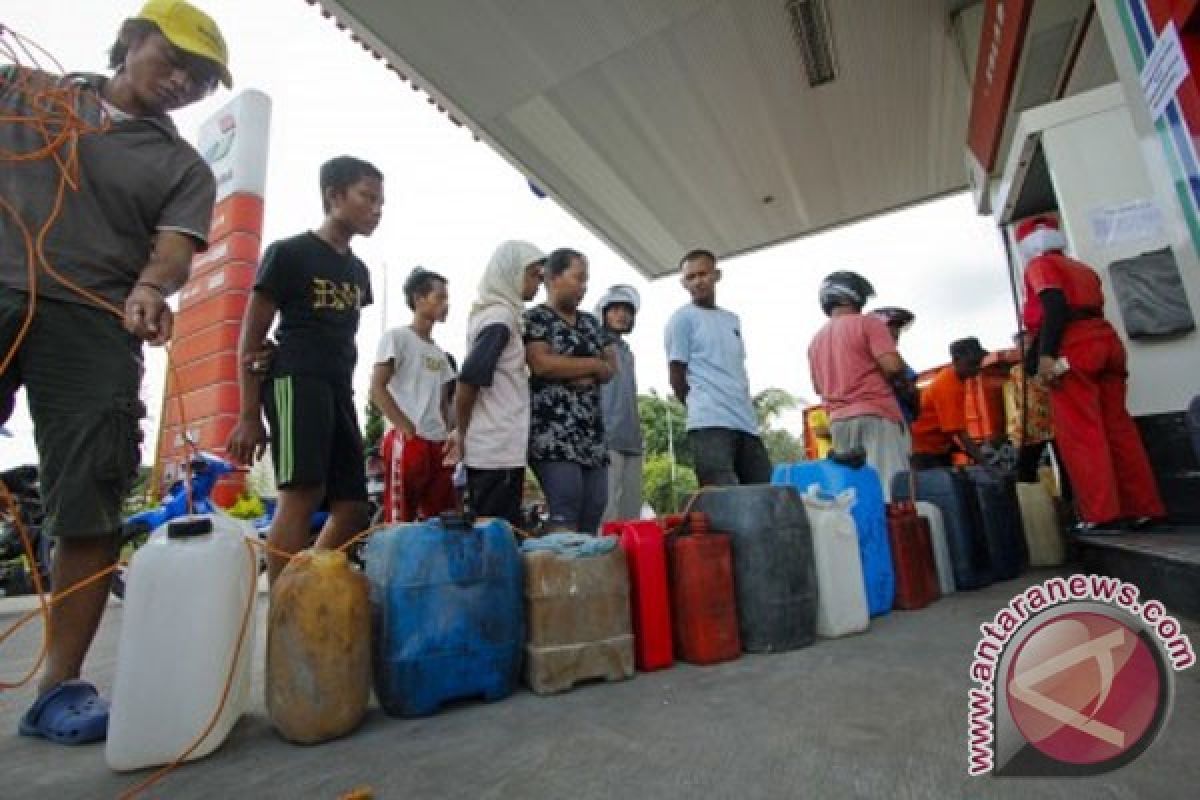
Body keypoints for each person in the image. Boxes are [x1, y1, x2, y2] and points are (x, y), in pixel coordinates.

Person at [1, 0, 231, 744]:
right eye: (175, 61)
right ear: (131, 41)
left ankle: (58, 686)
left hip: (95, 319)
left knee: (91, 499)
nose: (183, 83)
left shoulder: (182, 167)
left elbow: (172, 248)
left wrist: (148, 290)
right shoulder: (27, 91)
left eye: (200, 80)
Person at [227, 156, 383, 583]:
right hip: (295, 381)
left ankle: (304, 586)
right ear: (333, 196)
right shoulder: (288, 254)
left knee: (352, 507)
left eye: (381, 202)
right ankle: (284, 607)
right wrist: (248, 415)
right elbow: (251, 338)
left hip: (339, 389)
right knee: (302, 494)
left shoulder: (358, 272)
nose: (377, 209)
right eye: (367, 197)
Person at [1016, 214, 1164, 530]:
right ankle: (1144, 507)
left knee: (1082, 434)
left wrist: (1044, 357)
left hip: (1075, 347)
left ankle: (1102, 514)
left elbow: (1054, 307)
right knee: (1119, 428)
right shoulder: (1083, 268)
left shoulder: (1040, 266)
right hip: (1107, 341)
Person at [453, 241, 546, 527]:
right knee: (495, 532)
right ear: (511, 273)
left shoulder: (501, 315)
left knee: (494, 530)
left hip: (499, 445)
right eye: (533, 275)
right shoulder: (500, 319)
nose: (538, 284)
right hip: (495, 448)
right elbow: (469, 378)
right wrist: (460, 431)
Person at [524, 250, 616, 533]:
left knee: (594, 510)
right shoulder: (536, 319)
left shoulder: (591, 323)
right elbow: (541, 364)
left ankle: (583, 575)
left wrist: (572, 367)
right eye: (578, 278)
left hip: (592, 436)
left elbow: (611, 367)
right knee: (565, 509)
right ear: (553, 278)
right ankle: (558, 575)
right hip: (553, 436)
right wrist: (590, 364)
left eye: (586, 280)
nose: (584, 287)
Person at [665, 250, 771, 486]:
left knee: (764, 493)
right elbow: (676, 374)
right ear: (683, 283)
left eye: (702, 274)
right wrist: (698, 403)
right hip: (709, 422)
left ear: (716, 275)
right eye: (690, 277)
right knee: (723, 498)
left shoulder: (732, 319)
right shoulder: (682, 319)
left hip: (746, 422)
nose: (697, 281)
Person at [808, 272, 913, 499]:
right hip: (876, 416)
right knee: (890, 489)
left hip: (838, 422)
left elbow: (818, 386)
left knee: (854, 494)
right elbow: (893, 366)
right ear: (852, 296)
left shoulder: (815, 340)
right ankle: (892, 535)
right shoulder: (868, 324)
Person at [370, 267, 457, 523]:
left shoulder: (440, 354)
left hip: (437, 441)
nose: (445, 305)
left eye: (446, 299)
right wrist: (404, 426)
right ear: (419, 299)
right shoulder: (397, 338)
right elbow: (377, 387)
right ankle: (396, 562)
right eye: (439, 297)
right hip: (408, 439)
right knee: (401, 515)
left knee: (441, 516)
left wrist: (451, 433)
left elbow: (444, 402)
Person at [595, 284, 644, 522]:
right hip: (607, 437)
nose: (622, 315)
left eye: (627, 310)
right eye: (615, 309)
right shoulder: (594, 345)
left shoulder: (628, 352)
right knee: (607, 512)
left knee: (631, 511)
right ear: (603, 312)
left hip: (632, 439)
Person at [909, 338, 994, 469]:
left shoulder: (957, 379)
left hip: (937, 446)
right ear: (956, 360)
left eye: (979, 363)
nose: (977, 368)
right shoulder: (948, 385)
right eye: (972, 363)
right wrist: (987, 466)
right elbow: (961, 434)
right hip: (925, 450)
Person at [868, 306, 921, 423]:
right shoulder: (890, 358)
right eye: (893, 327)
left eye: (898, 328)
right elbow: (910, 390)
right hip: (892, 421)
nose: (897, 332)